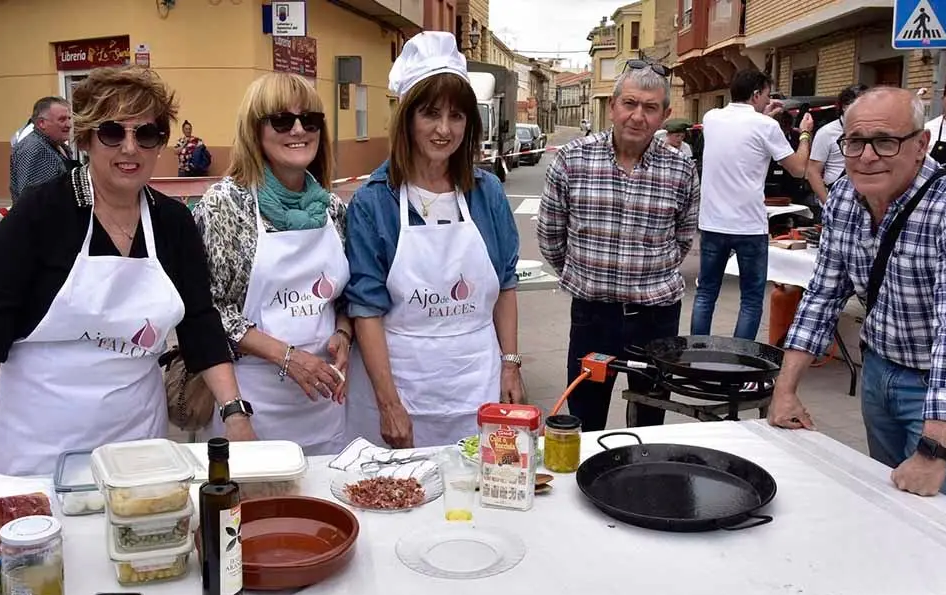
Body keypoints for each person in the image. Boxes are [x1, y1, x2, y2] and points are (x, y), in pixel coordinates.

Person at [770, 87, 946, 595]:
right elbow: (823, 293)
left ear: (921, 143)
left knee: (930, 533)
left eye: (886, 140)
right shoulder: (847, 197)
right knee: (887, 517)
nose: (868, 154)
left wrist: (932, 449)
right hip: (881, 365)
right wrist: (785, 387)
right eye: (856, 141)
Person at [0, 66, 255, 493]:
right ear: (86, 138)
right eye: (112, 132)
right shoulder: (39, 215)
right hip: (37, 449)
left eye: (146, 134)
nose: (130, 148)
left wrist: (235, 414)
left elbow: (200, 322)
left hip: (136, 444)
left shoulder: (174, 222)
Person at [344, 31, 522, 449]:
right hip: (403, 387)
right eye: (430, 114)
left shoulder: (486, 192)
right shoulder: (376, 201)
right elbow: (365, 309)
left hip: (476, 382)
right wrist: (389, 404)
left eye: (457, 116)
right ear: (407, 119)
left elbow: (506, 285)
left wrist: (510, 366)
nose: (444, 129)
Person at [194, 73, 351, 456]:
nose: (298, 129)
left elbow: (345, 298)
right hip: (252, 403)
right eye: (282, 120)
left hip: (324, 405)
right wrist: (288, 357)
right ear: (255, 130)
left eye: (309, 120)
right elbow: (208, 312)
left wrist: (344, 333)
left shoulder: (331, 208)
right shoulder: (225, 205)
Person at [538, 62, 699, 432]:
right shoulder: (572, 160)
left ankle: (640, 485)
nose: (637, 116)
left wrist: (646, 274)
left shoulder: (681, 169)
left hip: (656, 319)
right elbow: (550, 236)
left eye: (650, 107)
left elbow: (683, 238)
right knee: (584, 416)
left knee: (649, 417)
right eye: (629, 103)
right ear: (612, 106)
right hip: (593, 318)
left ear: (665, 115)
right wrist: (585, 275)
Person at [691, 69, 814, 340]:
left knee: (706, 292)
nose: (767, 100)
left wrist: (764, 114)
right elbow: (798, 169)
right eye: (766, 95)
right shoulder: (766, 127)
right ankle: (740, 363)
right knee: (750, 298)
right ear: (756, 94)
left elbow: (744, 131)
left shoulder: (711, 118)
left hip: (712, 222)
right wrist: (805, 135)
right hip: (748, 226)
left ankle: (695, 355)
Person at [806, 84, 869, 209]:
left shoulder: (871, 131)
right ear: (845, 106)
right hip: (836, 196)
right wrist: (828, 203)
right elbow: (813, 171)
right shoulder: (826, 132)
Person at [10, 96, 78, 202]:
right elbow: (31, 202)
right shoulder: (33, 149)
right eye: (62, 119)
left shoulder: (58, 145)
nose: (69, 125)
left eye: (69, 118)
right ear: (42, 123)